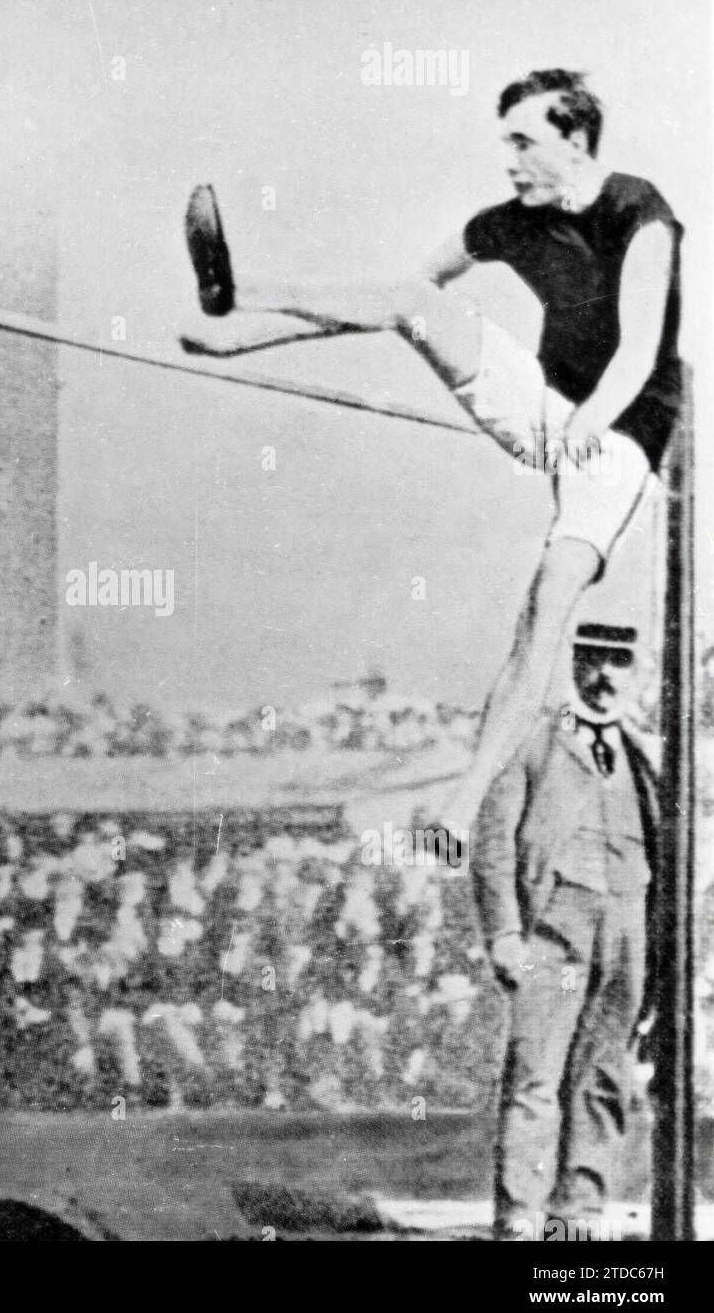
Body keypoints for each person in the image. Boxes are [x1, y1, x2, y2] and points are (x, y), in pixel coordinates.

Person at [183, 69, 683, 849]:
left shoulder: (638, 211)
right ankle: (236, 294)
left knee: (544, 613)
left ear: (575, 142)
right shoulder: (507, 223)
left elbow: (642, 346)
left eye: (524, 142)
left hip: (618, 443)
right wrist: (237, 341)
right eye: (504, 143)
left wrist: (591, 419)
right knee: (415, 305)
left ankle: (462, 803)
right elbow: (386, 299)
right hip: (545, 413)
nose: (509, 161)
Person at [470, 623, 660, 1239]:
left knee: (603, 1075)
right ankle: (521, 1217)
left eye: (619, 663)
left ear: (634, 672)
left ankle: (577, 1212)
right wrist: (504, 932)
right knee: (535, 1075)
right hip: (555, 928)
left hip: (628, 926)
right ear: (575, 663)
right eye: (594, 660)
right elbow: (493, 843)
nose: (606, 676)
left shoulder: (645, 756)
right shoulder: (533, 739)